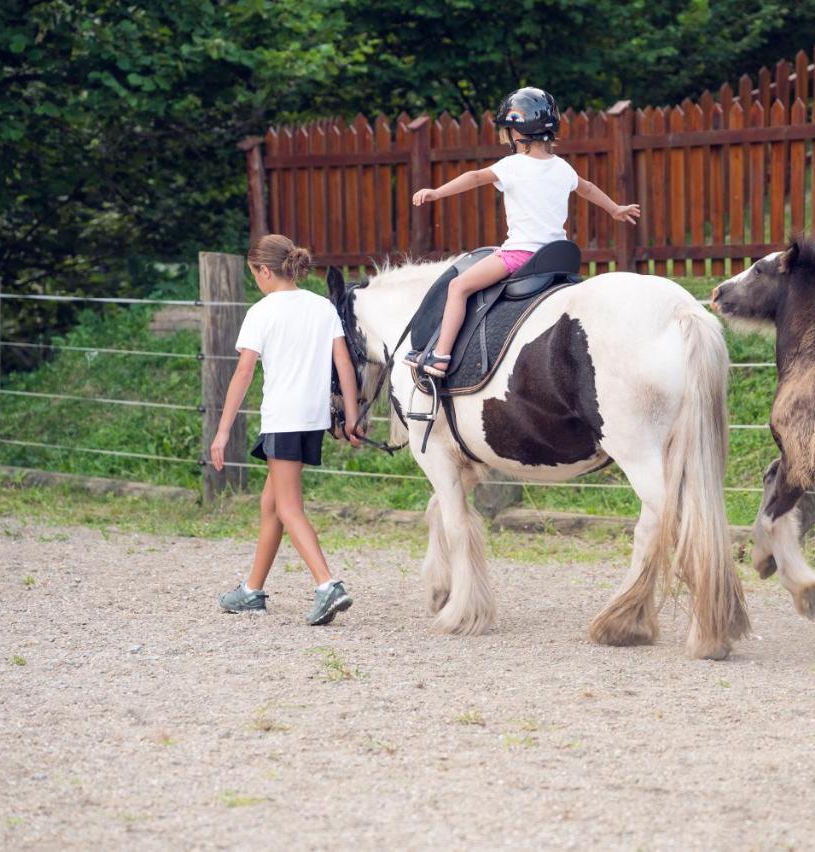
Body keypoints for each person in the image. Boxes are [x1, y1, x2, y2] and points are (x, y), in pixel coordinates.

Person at [403, 86, 640, 377]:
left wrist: (437, 192)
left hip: (520, 256)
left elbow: (476, 177)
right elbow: (588, 188)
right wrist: (616, 209)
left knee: (458, 287)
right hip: (557, 257)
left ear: (516, 134)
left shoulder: (512, 165)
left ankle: (439, 356)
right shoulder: (562, 167)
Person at [211, 235, 364, 625]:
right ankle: (251, 591)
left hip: (282, 419)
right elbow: (344, 364)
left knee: (288, 507)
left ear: (264, 271)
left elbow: (243, 373)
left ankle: (328, 585)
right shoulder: (320, 307)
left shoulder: (261, 312)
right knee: (271, 505)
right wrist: (351, 415)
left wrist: (223, 430)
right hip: (313, 420)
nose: (256, 282)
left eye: (255, 275)